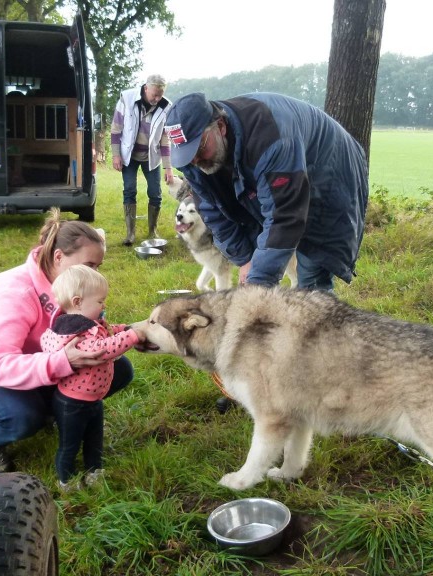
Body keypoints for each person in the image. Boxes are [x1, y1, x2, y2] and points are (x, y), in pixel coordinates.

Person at [0, 209, 139, 475]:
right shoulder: (15, 294)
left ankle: (58, 412)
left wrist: (133, 332)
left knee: (120, 370)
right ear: (58, 257)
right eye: (89, 266)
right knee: (22, 416)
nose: (94, 274)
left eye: (97, 267)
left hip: (34, 358)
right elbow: (0, 365)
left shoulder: (70, 286)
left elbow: (91, 331)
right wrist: (63, 361)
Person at [165, 92, 369, 291]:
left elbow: (283, 216)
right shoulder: (193, 156)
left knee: (310, 282)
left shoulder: (270, 138)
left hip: (329, 171)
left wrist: (258, 282)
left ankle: (316, 317)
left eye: (199, 148)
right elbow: (212, 210)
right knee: (258, 266)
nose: (195, 160)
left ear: (220, 126)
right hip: (274, 173)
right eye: (186, 154)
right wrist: (245, 260)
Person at [41, 265, 145, 490]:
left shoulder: (90, 324)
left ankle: (94, 471)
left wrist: (125, 328)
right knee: (69, 444)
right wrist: (133, 336)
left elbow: (108, 332)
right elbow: (103, 348)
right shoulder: (71, 333)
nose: (104, 305)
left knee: (94, 438)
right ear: (78, 302)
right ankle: (66, 480)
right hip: (72, 403)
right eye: (100, 301)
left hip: (93, 399)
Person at [111, 74, 175, 245]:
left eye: (160, 94)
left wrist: (168, 168)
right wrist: (116, 154)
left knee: (156, 193)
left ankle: (153, 231)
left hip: (151, 157)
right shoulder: (127, 99)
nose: (157, 98)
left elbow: (164, 139)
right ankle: (130, 233)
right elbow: (116, 129)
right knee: (129, 190)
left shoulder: (166, 107)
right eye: (154, 94)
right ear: (146, 88)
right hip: (129, 155)